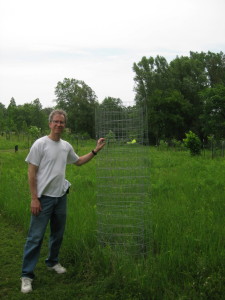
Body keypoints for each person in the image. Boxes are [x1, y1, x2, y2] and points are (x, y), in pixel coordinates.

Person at [21, 109, 105, 294]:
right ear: (50, 123)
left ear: (64, 125)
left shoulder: (66, 146)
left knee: (57, 234)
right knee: (35, 238)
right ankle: (26, 275)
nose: (59, 125)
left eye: (62, 122)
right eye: (56, 121)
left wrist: (95, 150)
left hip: (61, 198)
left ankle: (52, 262)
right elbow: (31, 172)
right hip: (43, 199)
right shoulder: (40, 144)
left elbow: (79, 162)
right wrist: (34, 198)